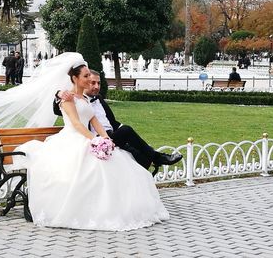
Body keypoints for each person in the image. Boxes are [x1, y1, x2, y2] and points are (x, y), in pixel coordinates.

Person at [13, 57, 169, 231]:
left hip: (89, 138)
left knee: (117, 165)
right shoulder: (67, 98)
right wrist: (94, 140)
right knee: (90, 170)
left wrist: (105, 138)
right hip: (73, 139)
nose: (89, 79)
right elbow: (77, 123)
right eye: (86, 76)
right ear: (75, 78)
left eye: (90, 76)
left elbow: (95, 121)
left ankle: (114, 208)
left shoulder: (85, 99)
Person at [54, 70, 182, 175]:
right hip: (94, 139)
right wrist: (58, 95)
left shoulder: (99, 99)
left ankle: (140, 181)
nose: (96, 86)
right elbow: (58, 110)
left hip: (111, 136)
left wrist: (116, 134)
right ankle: (159, 158)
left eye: (99, 83)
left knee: (142, 156)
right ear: (79, 79)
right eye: (92, 82)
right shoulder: (73, 99)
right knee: (127, 130)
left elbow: (112, 122)